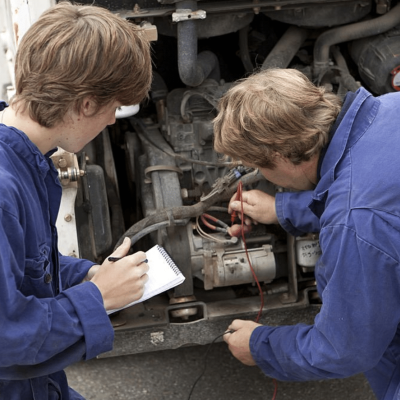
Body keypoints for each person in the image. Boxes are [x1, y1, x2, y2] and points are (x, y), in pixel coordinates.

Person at [214, 68, 400, 400]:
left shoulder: (352, 224)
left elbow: (345, 349)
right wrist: (285, 209)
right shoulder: (390, 107)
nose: (267, 177)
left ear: (281, 156)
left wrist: (260, 345)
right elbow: (383, 197)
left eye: (262, 168)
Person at [0, 2, 152, 399]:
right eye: (113, 107)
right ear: (86, 104)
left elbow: (22, 267)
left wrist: (88, 276)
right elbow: (6, 336)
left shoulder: (24, 160)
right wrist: (99, 298)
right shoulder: (3, 188)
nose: (112, 121)